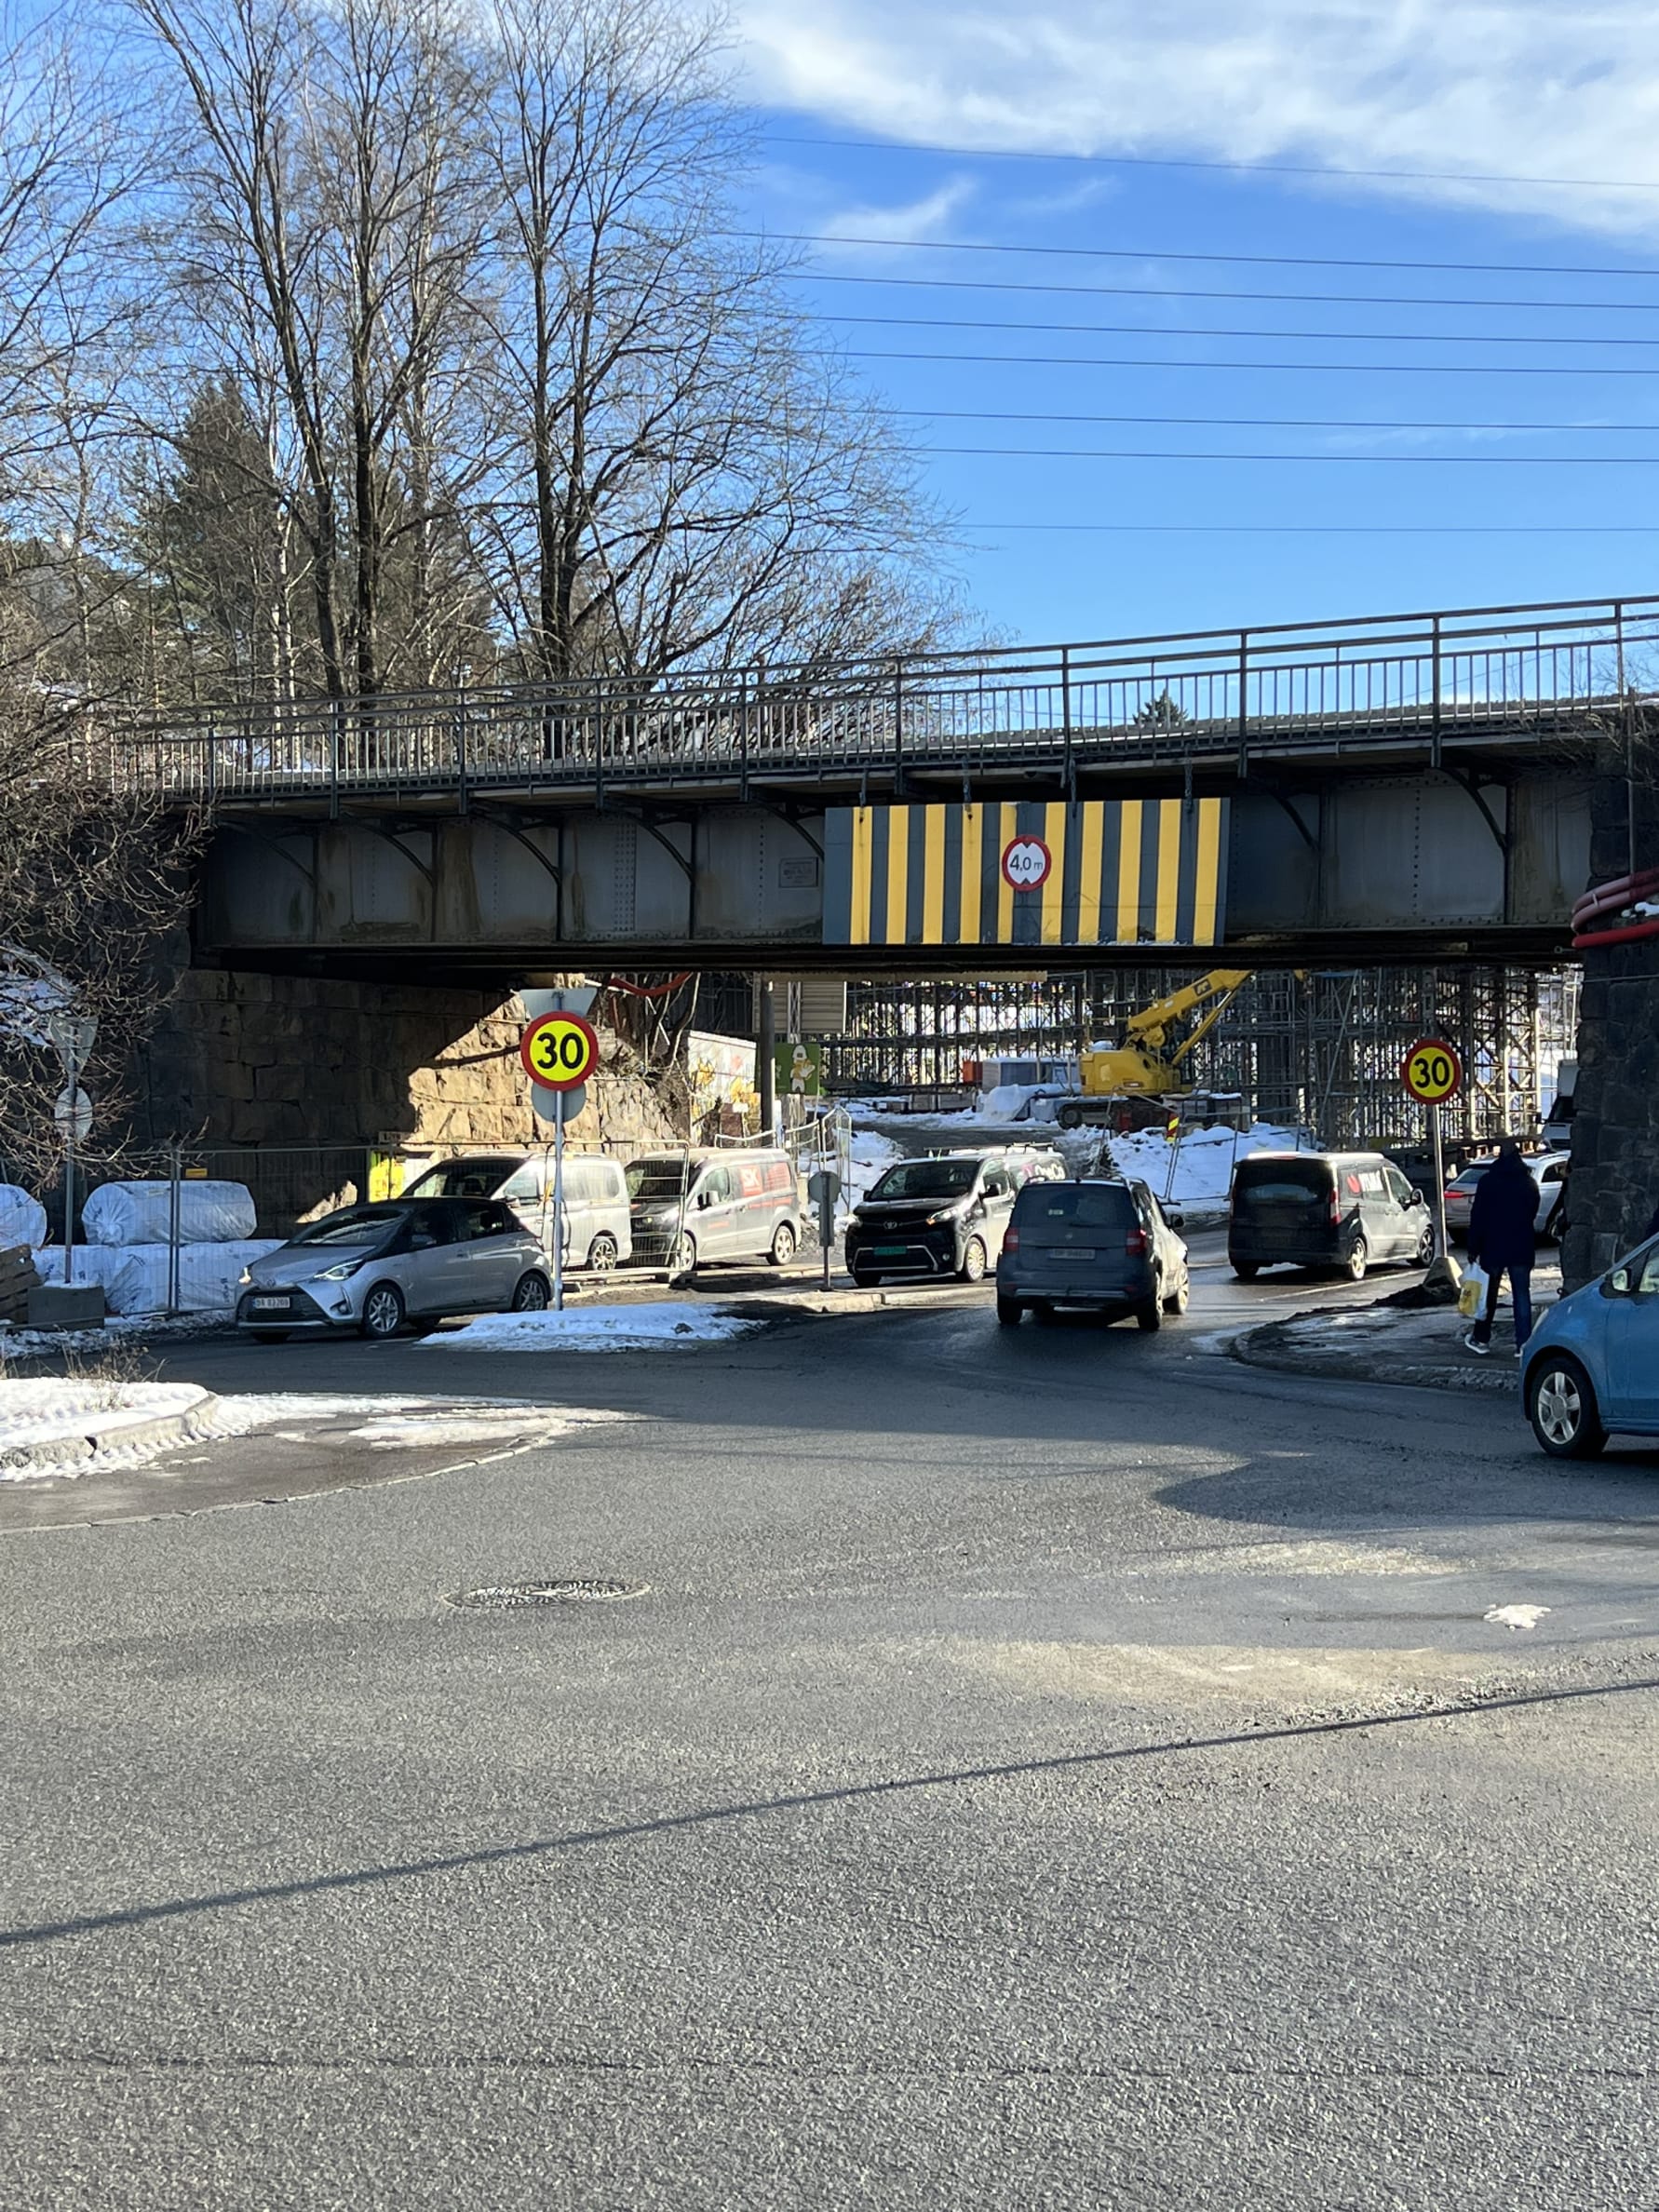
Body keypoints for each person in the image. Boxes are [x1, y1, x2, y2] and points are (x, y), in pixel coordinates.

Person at [1463, 1140, 1540, 1356]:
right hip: (1521, 1245)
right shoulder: (1528, 1182)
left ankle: (1481, 1338)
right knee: (1521, 1295)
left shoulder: (1488, 1182)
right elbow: (1533, 1212)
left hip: (1493, 1245)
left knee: (1488, 1295)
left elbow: (1478, 1216)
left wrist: (1473, 1247)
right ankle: (1523, 1344)